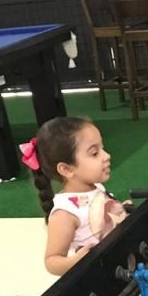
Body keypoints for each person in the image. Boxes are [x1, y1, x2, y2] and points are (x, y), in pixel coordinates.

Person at [20, 116, 126, 276]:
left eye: (102, 148)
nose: (106, 156)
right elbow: (52, 261)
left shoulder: (97, 187)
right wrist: (77, 261)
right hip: (102, 278)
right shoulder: (65, 213)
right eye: (95, 153)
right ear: (67, 169)